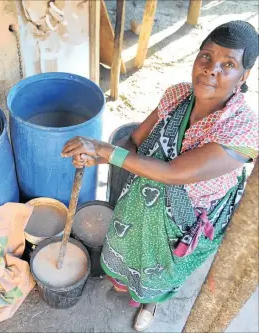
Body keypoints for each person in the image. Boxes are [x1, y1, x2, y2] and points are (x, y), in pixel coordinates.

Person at [62, 20, 258, 331]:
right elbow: (135, 142)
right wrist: (95, 157)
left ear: (243, 76)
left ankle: (151, 301)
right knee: (127, 251)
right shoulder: (178, 95)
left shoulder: (241, 129)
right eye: (206, 56)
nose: (211, 69)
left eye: (228, 64)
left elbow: (173, 173)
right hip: (141, 202)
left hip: (181, 223)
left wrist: (104, 151)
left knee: (160, 272)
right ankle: (128, 282)